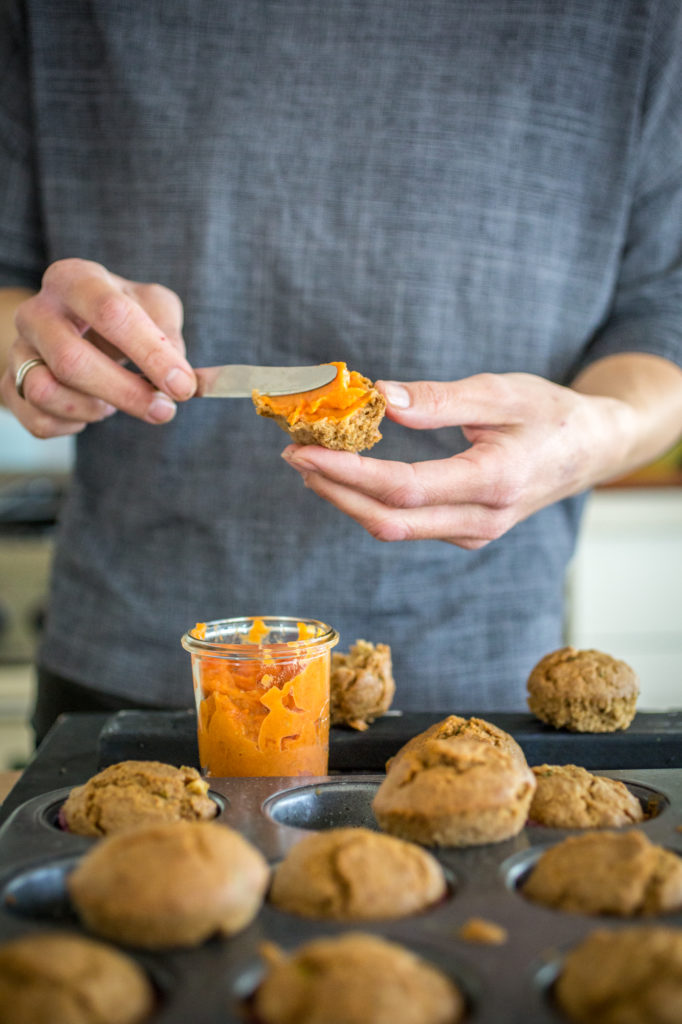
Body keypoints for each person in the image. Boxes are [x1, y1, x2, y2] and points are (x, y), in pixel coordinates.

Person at [1, 1, 681, 744]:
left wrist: (599, 430)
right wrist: (35, 352)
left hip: (480, 689)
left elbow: (665, 311)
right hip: (136, 669)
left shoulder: (639, 21)